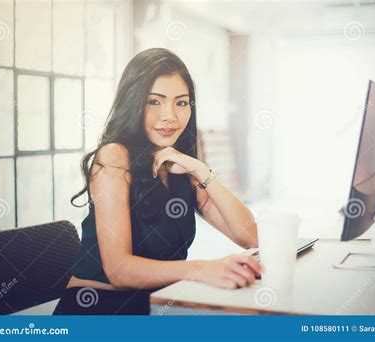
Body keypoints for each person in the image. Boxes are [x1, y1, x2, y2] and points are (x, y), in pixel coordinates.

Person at [53, 48, 260, 315]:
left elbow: (251, 236)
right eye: (154, 101)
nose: (170, 116)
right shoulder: (114, 156)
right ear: (133, 102)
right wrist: (202, 269)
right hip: (99, 307)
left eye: (181, 102)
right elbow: (119, 271)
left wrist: (199, 169)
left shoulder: (178, 163)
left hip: (157, 303)